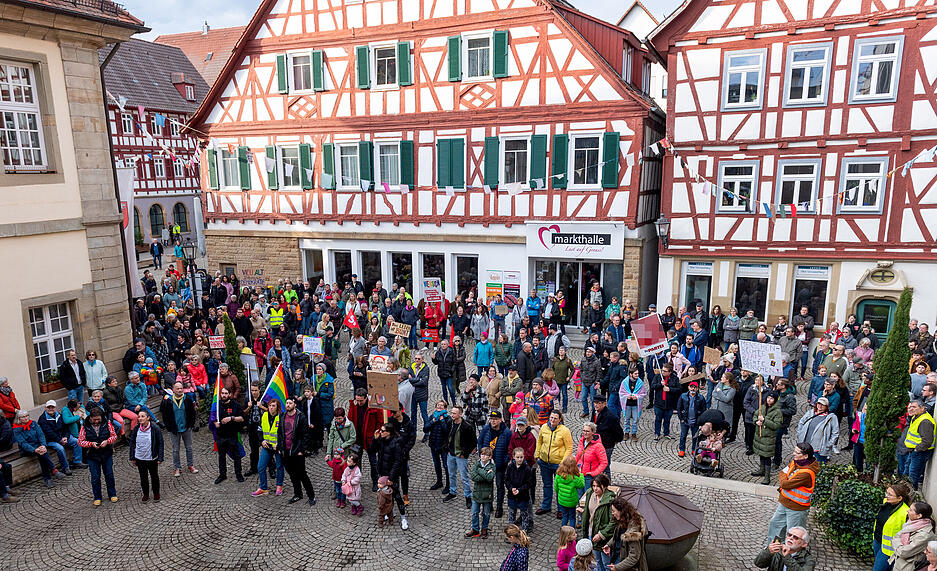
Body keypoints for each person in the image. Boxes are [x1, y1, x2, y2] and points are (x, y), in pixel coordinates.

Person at [765, 442, 819, 544]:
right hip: (785, 503)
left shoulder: (807, 473)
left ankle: (792, 556)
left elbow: (785, 483)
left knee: (794, 535)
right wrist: (784, 477)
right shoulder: (796, 462)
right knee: (775, 525)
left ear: (805, 456)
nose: (793, 454)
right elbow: (782, 472)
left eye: (796, 452)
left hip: (797, 509)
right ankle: (772, 550)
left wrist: (784, 478)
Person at [369, 422, 409, 529]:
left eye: (383, 431)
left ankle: (403, 518)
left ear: (389, 432)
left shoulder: (396, 443)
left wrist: (391, 478)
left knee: (396, 495)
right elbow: (372, 449)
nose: (380, 432)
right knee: (385, 495)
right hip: (383, 471)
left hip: (392, 474)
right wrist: (375, 438)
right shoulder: (382, 440)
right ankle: (390, 511)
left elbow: (397, 462)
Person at [535, 410, 574, 516]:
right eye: (551, 417)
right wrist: (537, 454)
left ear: (560, 419)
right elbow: (539, 442)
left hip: (558, 463)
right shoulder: (543, 427)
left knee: (559, 486)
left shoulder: (565, 431)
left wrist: (563, 462)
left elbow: (569, 447)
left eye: (555, 418)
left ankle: (560, 509)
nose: (552, 420)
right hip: (544, 462)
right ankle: (546, 506)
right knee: (547, 485)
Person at [279, 396, 316, 505]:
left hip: (297, 451)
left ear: (295, 404)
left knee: (302, 474)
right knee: (292, 475)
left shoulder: (300, 417)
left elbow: (306, 435)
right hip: (286, 451)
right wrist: (281, 448)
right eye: (286, 403)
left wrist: (302, 450)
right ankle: (298, 494)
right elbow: (279, 433)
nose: (288, 405)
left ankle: (311, 495)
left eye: (290, 403)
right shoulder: (282, 416)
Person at [77, 408, 118, 505]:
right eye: (94, 419)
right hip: (92, 455)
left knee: (109, 475)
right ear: (90, 418)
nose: (96, 422)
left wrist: (107, 441)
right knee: (95, 477)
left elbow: (114, 436)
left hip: (106, 453)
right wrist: (91, 444)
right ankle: (97, 497)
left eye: (98, 419)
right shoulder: (84, 426)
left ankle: (112, 494)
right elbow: (80, 441)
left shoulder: (107, 423)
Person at [12, 409, 63, 487]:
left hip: (38, 446)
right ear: (19, 419)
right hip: (27, 449)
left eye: (27, 416)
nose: (26, 418)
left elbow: (41, 435)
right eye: (23, 417)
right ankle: (53, 470)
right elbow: (23, 443)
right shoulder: (16, 429)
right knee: (42, 454)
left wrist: (43, 445)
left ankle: (48, 479)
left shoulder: (33, 424)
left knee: (42, 454)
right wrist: (34, 450)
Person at [159, 382, 198, 478]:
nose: (180, 390)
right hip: (174, 430)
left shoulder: (187, 399)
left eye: (181, 388)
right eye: (178, 389)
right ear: (173, 390)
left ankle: (190, 465)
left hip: (186, 428)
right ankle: (177, 468)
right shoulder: (168, 401)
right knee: (175, 450)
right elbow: (165, 415)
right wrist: (169, 427)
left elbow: (192, 413)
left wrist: (191, 425)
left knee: (189, 448)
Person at [579, 473, 617, 568]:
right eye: (593, 486)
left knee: (606, 564)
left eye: (598, 486)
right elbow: (591, 514)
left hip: (604, 537)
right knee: (598, 561)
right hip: (591, 533)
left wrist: (601, 535)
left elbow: (613, 521)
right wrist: (583, 513)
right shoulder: (590, 493)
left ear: (604, 487)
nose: (595, 489)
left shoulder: (610, 500)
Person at [874, 482, 914, 571]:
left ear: (899, 498)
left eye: (890, 494)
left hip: (889, 550)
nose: (886, 496)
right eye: (886, 493)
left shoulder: (905, 513)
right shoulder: (886, 503)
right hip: (877, 541)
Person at [443, 405, 477, 508]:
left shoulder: (467, 426)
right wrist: (447, 449)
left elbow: (473, 442)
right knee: (451, 474)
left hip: (461, 456)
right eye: (451, 413)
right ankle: (452, 492)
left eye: (454, 413)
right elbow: (446, 437)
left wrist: (464, 453)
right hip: (451, 454)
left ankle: (468, 496)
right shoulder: (450, 423)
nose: (452, 415)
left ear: (460, 414)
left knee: (464, 477)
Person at [897, 399, 936, 490]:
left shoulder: (925, 421)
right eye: (909, 407)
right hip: (913, 451)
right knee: (906, 473)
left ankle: (911, 496)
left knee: (912, 476)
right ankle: (905, 493)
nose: (910, 409)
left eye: (914, 407)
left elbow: (927, 441)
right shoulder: (916, 417)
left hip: (920, 452)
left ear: (923, 408)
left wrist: (916, 449)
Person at [37, 399, 83, 474]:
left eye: (52, 407)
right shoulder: (42, 419)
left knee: (77, 441)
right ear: (45, 408)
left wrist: (65, 437)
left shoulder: (59, 415)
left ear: (55, 408)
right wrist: (60, 440)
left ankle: (77, 462)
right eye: (49, 407)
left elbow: (65, 428)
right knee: (60, 448)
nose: (51, 409)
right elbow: (49, 433)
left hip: (62, 437)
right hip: (50, 440)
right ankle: (65, 467)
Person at [604, 496, 648, 571]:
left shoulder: (632, 533)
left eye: (614, 511)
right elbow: (619, 536)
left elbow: (634, 557)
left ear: (621, 511)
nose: (612, 513)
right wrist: (609, 544)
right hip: (619, 559)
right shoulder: (623, 520)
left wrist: (617, 567)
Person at [128, 409, 163, 503]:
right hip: (140, 457)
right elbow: (132, 443)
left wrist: (160, 457)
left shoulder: (155, 428)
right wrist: (132, 457)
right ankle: (146, 494)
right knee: (143, 477)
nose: (140, 418)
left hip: (151, 457)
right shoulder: (136, 429)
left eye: (142, 416)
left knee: (154, 476)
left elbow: (160, 443)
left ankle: (156, 493)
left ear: (148, 418)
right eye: (139, 416)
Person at [889, 502, 936, 571]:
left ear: (919, 516)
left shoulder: (925, 535)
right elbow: (896, 536)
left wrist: (895, 542)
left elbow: (903, 552)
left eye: (911, 510)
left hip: (907, 567)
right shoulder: (911, 524)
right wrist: (898, 544)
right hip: (898, 563)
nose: (907, 510)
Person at [214, 387, 245, 484]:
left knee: (236, 456)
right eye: (222, 393)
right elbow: (212, 416)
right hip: (221, 436)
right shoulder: (217, 405)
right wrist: (215, 422)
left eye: (226, 393)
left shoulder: (235, 405)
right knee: (221, 456)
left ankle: (238, 474)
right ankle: (222, 475)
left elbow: (242, 418)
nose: (223, 395)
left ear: (230, 394)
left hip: (232, 435)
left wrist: (231, 418)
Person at [254, 399, 285, 497]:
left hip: (277, 447)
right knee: (261, 466)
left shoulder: (281, 418)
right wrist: (262, 441)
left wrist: (279, 444)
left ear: (277, 407)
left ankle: (279, 485)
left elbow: (284, 433)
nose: (271, 408)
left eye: (273, 406)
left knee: (279, 466)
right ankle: (263, 488)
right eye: (270, 406)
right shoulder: (264, 416)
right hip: (267, 446)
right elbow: (259, 430)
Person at [796, 398, 839, 465]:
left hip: (819, 449)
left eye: (823, 405)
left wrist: (829, 444)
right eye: (819, 404)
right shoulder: (810, 413)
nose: (820, 406)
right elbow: (801, 423)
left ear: (826, 407)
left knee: (818, 467)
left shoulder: (832, 417)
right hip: (805, 447)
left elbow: (835, 433)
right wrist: (800, 434)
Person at [752, 390, 782, 485]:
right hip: (760, 436)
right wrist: (756, 421)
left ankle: (767, 476)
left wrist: (764, 420)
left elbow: (776, 425)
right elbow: (755, 415)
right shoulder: (762, 407)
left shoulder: (777, 412)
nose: (769, 400)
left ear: (775, 400)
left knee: (767, 456)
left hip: (768, 437)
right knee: (761, 453)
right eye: (768, 397)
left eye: (771, 398)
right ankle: (761, 470)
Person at [466, 446, 496, 538]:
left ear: (490, 457)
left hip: (487, 494)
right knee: (474, 512)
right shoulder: (477, 464)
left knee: (486, 513)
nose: (483, 457)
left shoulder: (492, 466)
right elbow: (473, 477)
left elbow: (490, 478)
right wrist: (485, 473)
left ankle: (484, 529)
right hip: (477, 493)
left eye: (485, 455)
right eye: (482, 454)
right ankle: (475, 529)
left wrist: (480, 471)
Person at [425, 399, 452, 493]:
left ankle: (448, 485)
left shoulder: (448, 418)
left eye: (441, 406)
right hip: (433, 444)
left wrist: (442, 421)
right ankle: (439, 481)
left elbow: (447, 431)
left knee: (446, 466)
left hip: (443, 446)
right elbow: (425, 429)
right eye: (438, 405)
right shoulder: (432, 416)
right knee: (437, 465)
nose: (439, 407)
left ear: (445, 408)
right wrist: (432, 421)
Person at [676, 381, 706, 458]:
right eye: (691, 387)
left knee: (695, 437)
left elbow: (704, 409)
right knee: (683, 436)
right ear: (689, 387)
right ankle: (682, 450)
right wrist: (681, 418)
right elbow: (679, 407)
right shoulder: (683, 396)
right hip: (685, 420)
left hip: (695, 421)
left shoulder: (701, 397)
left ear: (697, 388)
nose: (693, 389)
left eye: (695, 387)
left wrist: (700, 420)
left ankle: (694, 449)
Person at [506, 449, 533, 532]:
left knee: (524, 515)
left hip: (523, 496)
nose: (520, 459)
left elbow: (529, 483)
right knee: (512, 515)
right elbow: (506, 480)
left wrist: (520, 490)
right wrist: (511, 488)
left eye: (521, 457)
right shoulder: (510, 467)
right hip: (512, 496)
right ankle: (511, 533)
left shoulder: (527, 468)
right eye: (517, 457)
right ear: (514, 457)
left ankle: (524, 533)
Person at [651, 363, 680, 440]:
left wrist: (670, 389)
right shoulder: (658, 377)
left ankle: (666, 433)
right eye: (662, 370)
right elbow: (653, 386)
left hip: (669, 404)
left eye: (665, 371)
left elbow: (679, 389)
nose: (662, 372)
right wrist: (660, 384)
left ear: (670, 372)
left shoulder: (675, 378)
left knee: (667, 420)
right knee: (658, 419)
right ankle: (657, 433)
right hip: (659, 403)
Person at [554, 454, 585, 528]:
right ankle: (571, 533)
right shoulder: (574, 478)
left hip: (561, 500)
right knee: (572, 517)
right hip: (571, 502)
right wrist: (581, 474)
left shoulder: (558, 475)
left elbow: (556, 488)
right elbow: (582, 485)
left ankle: (563, 532)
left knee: (564, 516)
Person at [576, 421, 607, 490]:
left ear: (593, 432)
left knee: (587, 497)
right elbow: (578, 456)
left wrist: (594, 473)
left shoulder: (598, 446)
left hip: (589, 477)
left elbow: (604, 463)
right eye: (584, 431)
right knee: (578, 496)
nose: (585, 433)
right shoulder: (582, 441)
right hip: (579, 474)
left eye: (587, 431)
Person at [580, 346, 603, 418]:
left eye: (589, 352)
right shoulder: (583, 360)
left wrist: (596, 381)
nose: (588, 353)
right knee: (583, 398)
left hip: (592, 382)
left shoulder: (596, 362)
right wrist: (582, 377)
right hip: (584, 381)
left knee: (593, 399)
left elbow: (599, 372)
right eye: (587, 352)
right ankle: (586, 411)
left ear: (593, 353)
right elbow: (581, 370)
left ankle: (594, 413)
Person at [433, 338, 457, 404]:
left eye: (444, 344)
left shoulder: (451, 352)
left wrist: (452, 370)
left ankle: (454, 402)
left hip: (449, 373)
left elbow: (455, 362)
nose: (443, 345)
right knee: (444, 388)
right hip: (441, 373)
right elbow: (436, 363)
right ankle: (446, 401)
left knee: (450, 388)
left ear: (447, 345)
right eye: (442, 344)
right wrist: (433, 359)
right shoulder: (438, 352)